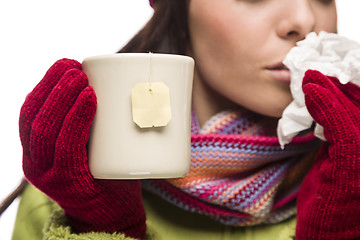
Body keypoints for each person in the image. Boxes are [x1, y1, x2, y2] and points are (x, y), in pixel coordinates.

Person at [10, 0, 360, 239]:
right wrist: (96, 227)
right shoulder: (69, 191)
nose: (305, 20)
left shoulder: (353, 176)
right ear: (180, 9)